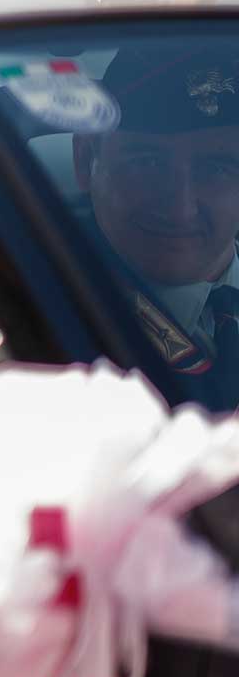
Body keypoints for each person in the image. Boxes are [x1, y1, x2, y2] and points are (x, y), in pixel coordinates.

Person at [75, 43, 239, 409]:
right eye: (147, 163)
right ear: (85, 160)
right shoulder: (38, 308)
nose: (181, 208)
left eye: (216, 169)